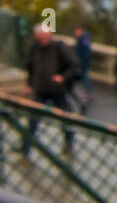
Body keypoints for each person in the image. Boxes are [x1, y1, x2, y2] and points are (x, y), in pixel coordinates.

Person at [22, 26, 77, 154]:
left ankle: (68, 144)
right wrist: (29, 84)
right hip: (40, 89)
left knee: (65, 118)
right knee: (33, 119)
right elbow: (30, 67)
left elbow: (73, 66)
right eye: (41, 38)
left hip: (57, 90)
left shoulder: (59, 47)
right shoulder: (35, 48)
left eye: (46, 37)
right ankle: (26, 146)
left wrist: (62, 77)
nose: (43, 40)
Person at [71, 27, 94, 108]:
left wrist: (82, 61)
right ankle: (86, 92)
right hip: (81, 61)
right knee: (83, 77)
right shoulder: (80, 39)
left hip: (83, 62)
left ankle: (89, 92)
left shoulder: (84, 40)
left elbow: (86, 52)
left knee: (84, 77)